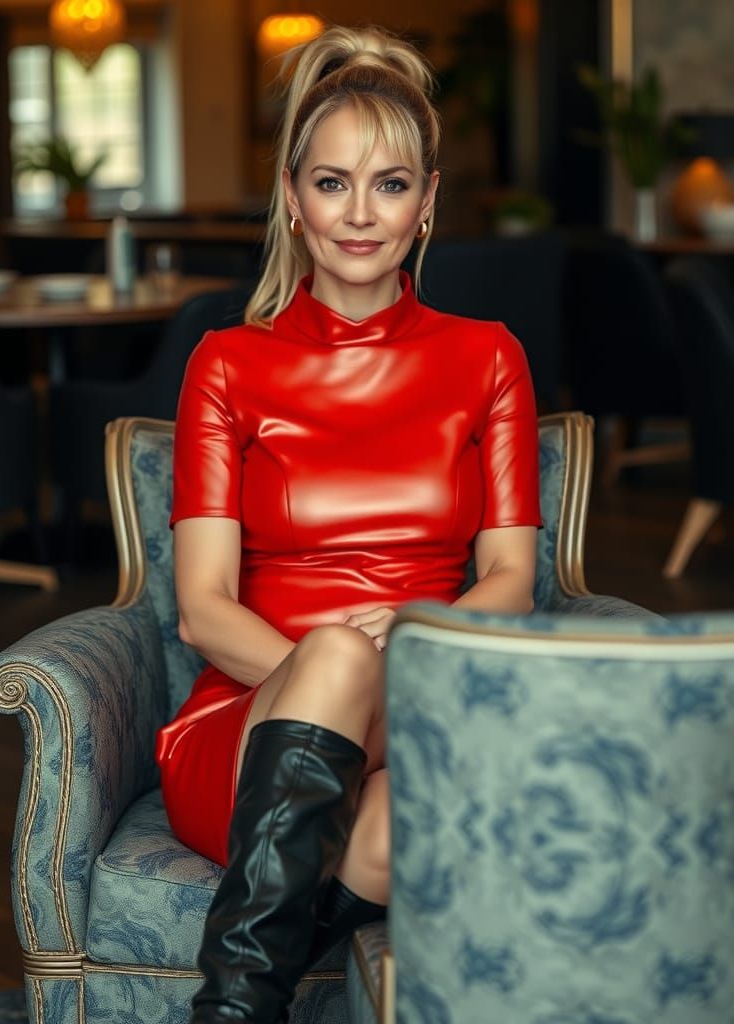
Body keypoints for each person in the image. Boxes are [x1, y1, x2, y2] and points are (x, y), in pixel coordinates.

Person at [156, 23, 541, 1024]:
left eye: (391, 184)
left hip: (414, 715)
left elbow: (508, 574)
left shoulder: (490, 356)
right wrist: (336, 670)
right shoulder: (228, 362)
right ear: (292, 199)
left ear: (428, 202)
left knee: (393, 828)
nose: (360, 215)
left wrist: (397, 650)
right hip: (248, 721)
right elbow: (200, 610)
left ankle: (238, 1003)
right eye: (331, 184)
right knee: (334, 655)